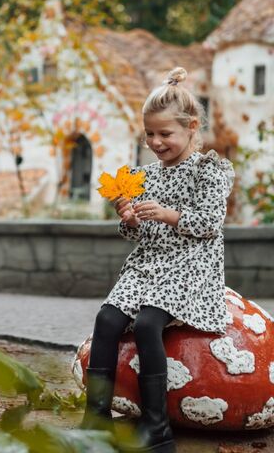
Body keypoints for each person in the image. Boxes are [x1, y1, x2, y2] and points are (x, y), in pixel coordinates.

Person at [79, 67, 235, 453]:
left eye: (165, 134)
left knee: (148, 324)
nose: (156, 142)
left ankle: (156, 427)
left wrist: (169, 214)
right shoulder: (143, 176)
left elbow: (211, 224)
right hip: (148, 264)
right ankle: (96, 419)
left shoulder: (207, 171)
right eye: (150, 134)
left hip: (190, 264)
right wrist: (129, 219)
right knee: (107, 318)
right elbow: (138, 234)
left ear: (192, 127)